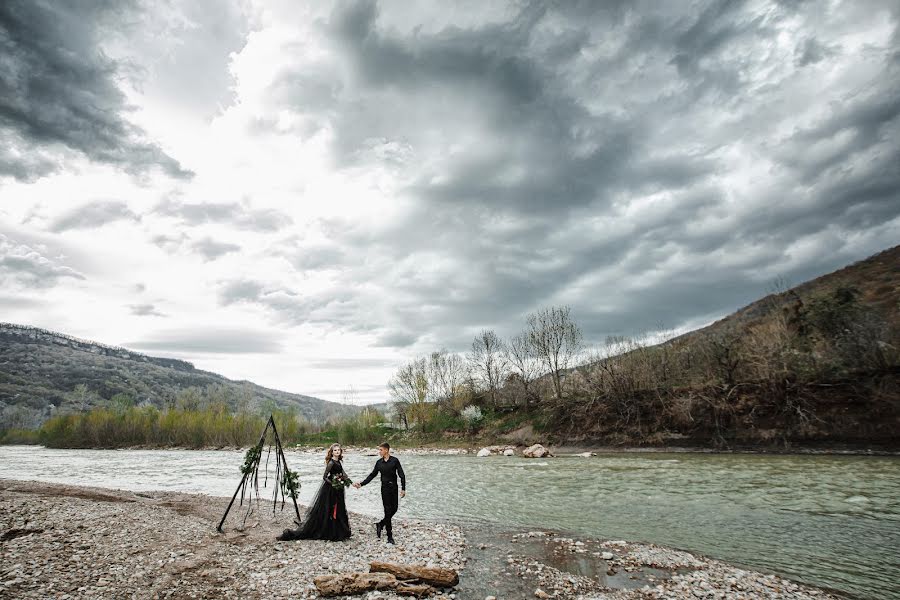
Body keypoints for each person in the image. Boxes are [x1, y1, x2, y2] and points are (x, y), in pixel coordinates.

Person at [277, 443, 351, 542]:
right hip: (331, 490)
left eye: (339, 450)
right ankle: (332, 532)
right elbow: (324, 477)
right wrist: (333, 483)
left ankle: (341, 531)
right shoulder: (331, 463)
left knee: (340, 509)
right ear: (332, 452)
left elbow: (343, 473)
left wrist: (349, 481)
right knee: (332, 509)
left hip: (339, 489)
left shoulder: (339, 462)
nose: (337, 452)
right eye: (335, 450)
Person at [353, 442, 405, 544]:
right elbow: (372, 475)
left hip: (394, 488)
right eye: (379, 450)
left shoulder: (395, 461)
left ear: (386, 450)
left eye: (381, 450)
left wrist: (403, 489)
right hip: (384, 489)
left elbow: (401, 474)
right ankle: (389, 536)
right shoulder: (378, 463)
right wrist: (362, 484)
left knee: (394, 509)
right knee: (387, 510)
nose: (379, 452)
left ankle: (381, 524)